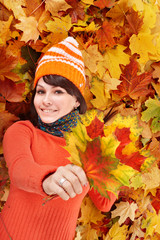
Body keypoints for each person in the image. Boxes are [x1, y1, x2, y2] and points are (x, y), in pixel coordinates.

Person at [0, 37, 117, 240]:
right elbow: (20, 169)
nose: (46, 100)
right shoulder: (22, 132)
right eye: (41, 91)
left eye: (58, 92)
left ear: (76, 101)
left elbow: (105, 203)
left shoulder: (87, 149)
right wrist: (50, 180)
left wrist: (111, 156)